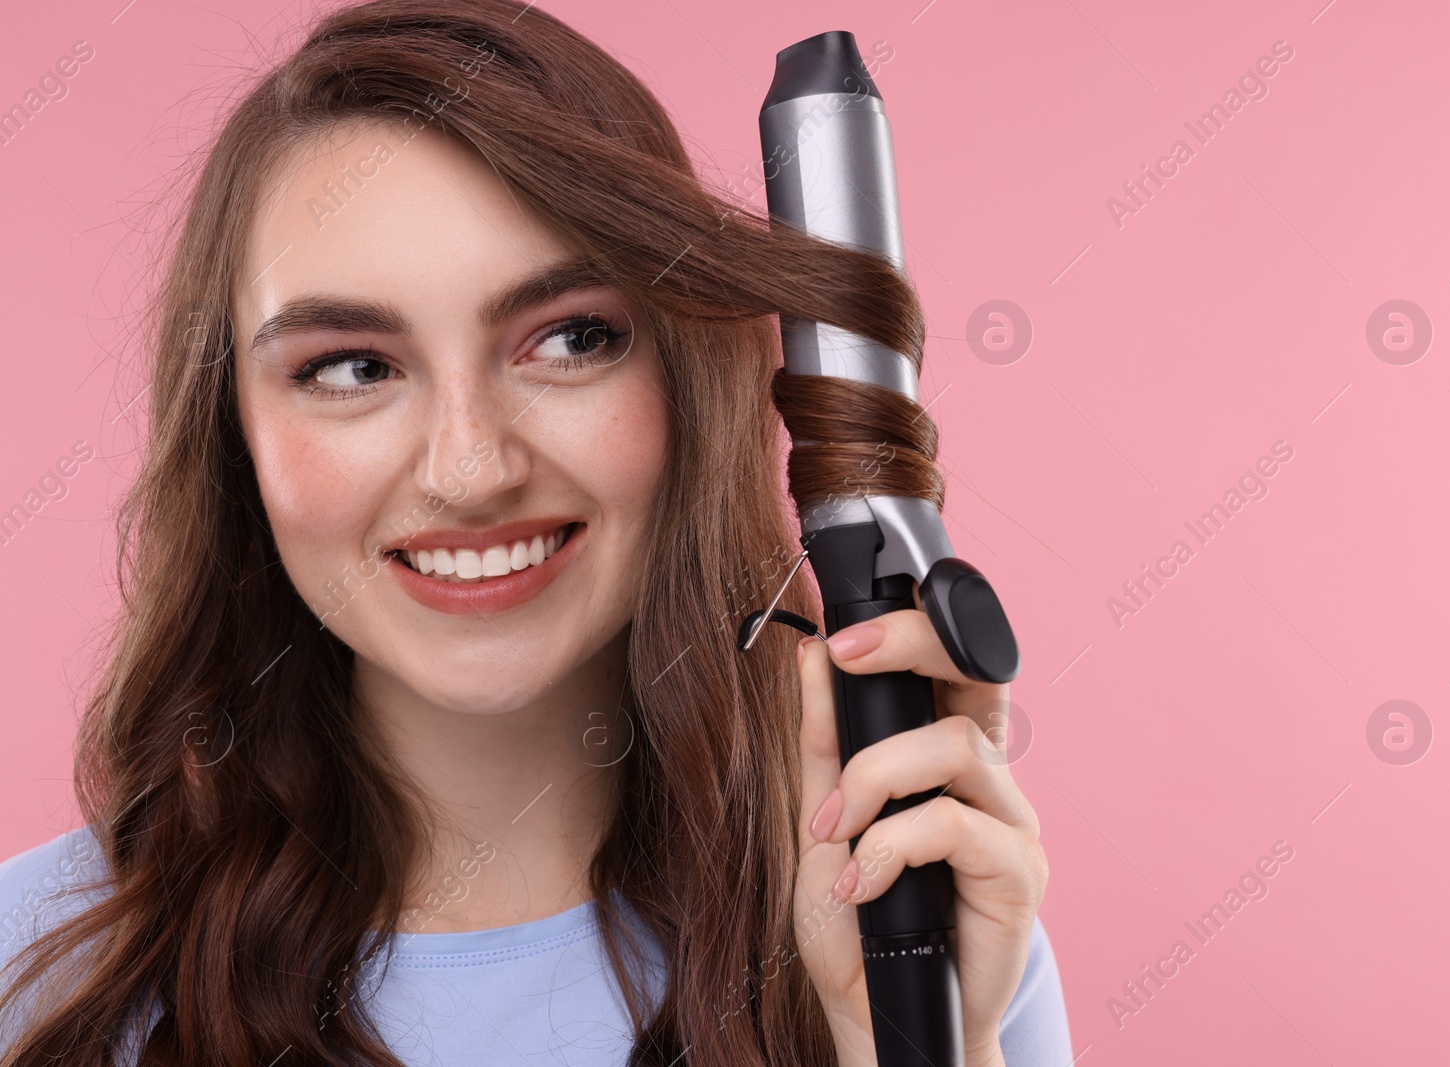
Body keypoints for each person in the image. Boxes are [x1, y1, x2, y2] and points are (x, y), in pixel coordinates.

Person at [0, 2, 1069, 1064]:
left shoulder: (926, 921)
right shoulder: (36, 968)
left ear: (682, 378)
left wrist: (922, 1038)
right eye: (353, 366)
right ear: (234, 428)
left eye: (569, 338)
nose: (470, 469)